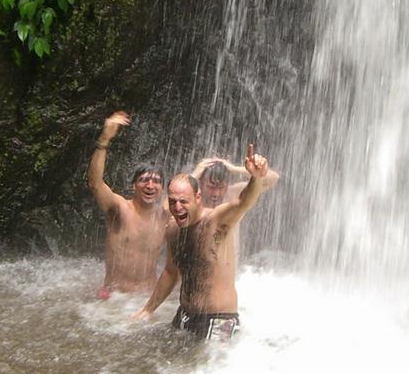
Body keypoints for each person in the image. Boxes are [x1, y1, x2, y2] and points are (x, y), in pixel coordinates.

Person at [133, 143, 271, 339]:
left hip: (219, 320)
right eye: (172, 201)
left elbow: (244, 202)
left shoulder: (216, 220)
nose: (177, 207)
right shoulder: (173, 228)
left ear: (198, 197)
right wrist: (147, 310)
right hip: (185, 315)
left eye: (183, 201)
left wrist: (256, 177)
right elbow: (170, 273)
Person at [87, 111, 168, 298]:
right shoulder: (120, 208)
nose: (150, 185)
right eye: (144, 180)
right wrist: (104, 140)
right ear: (134, 185)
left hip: (147, 296)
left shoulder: (165, 215)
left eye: (156, 181)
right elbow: (95, 182)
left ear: (162, 189)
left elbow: (193, 194)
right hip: (115, 297)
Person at [192, 154, 280, 207]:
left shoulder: (234, 193)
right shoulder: (192, 197)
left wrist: (234, 169)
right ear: (200, 182)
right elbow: (179, 193)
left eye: (221, 187)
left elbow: (274, 178)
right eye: (210, 187)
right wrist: (193, 176)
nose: (216, 193)